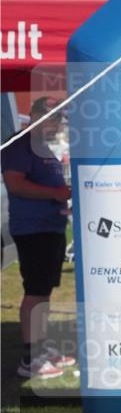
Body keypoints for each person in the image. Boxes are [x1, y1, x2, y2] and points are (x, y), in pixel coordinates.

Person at [1, 97, 76, 379]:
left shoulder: (43, 146)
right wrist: (55, 194)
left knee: (43, 292)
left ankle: (42, 348)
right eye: (52, 117)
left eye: (60, 118)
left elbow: (47, 184)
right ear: (34, 116)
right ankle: (30, 358)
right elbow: (15, 183)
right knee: (35, 292)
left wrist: (63, 199)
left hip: (51, 226)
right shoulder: (21, 144)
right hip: (33, 229)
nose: (58, 123)